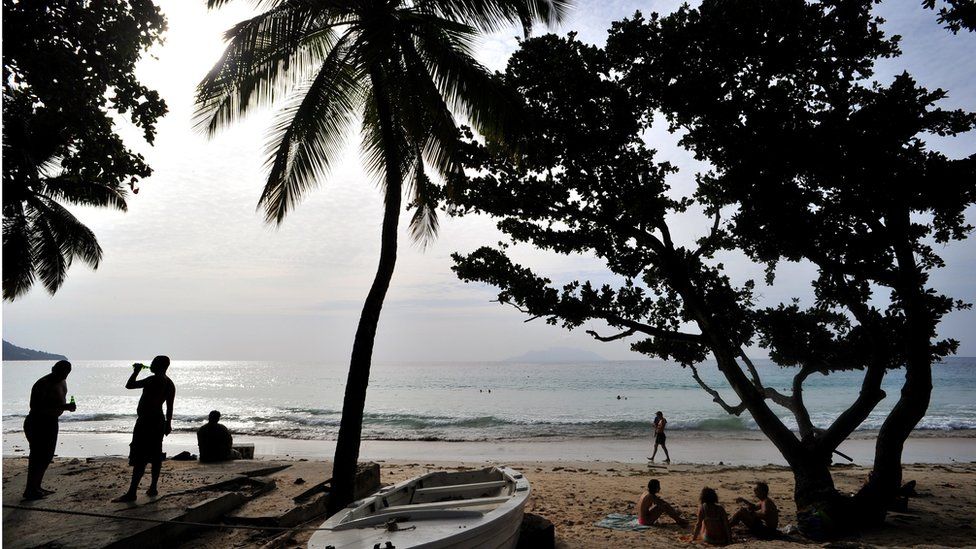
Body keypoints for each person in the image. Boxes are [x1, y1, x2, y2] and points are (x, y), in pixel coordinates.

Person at [113, 356, 176, 502]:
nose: (151, 365)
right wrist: (168, 423)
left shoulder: (152, 380)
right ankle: (153, 487)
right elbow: (169, 407)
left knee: (140, 455)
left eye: (153, 363)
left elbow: (129, 385)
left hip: (146, 422)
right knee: (155, 455)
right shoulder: (170, 383)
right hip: (159, 421)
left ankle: (132, 492)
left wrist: (136, 371)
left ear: (159, 365)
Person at [23, 360, 77, 500]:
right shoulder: (43, 383)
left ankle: (36, 487)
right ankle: (30, 489)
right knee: (37, 456)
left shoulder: (62, 381)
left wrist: (67, 406)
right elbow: (36, 407)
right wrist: (64, 407)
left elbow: (58, 402)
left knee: (46, 456)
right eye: (59, 372)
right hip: (38, 422)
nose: (62, 375)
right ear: (53, 369)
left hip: (52, 422)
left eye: (65, 373)